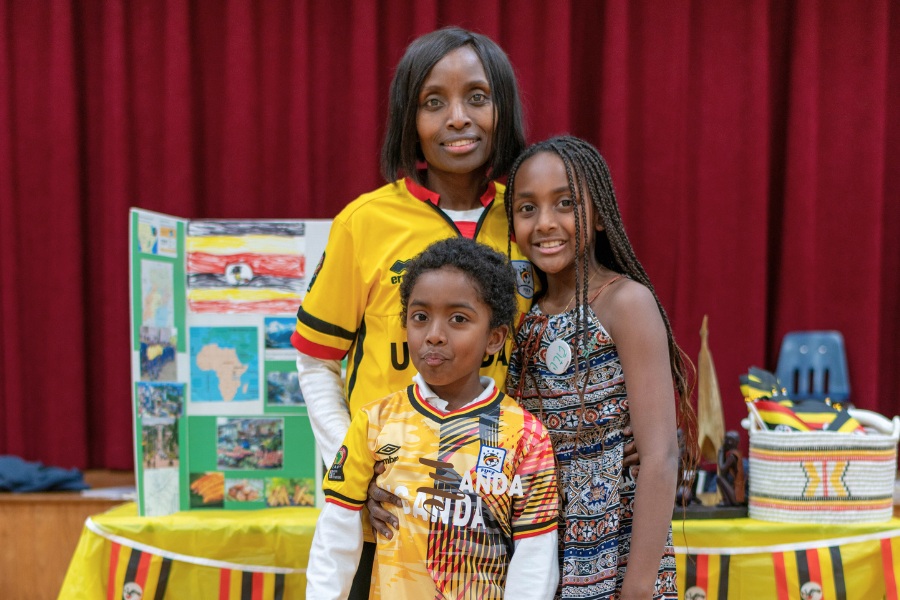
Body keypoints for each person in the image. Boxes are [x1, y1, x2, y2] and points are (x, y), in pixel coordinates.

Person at [290, 27, 534, 599]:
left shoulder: (529, 221)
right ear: (408, 118)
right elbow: (315, 365)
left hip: (496, 520)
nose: (457, 118)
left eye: (477, 97)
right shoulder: (365, 222)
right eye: (434, 102)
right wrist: (351, 469)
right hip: (385, 519)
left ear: (503, 107)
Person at [305, 237, 559, 599]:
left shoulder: (526, 436)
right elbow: (335, 537)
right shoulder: (374, 421)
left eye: (458, 319)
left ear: (495, 338)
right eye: (420, 317)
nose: (434, 336)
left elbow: (535, 557)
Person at [505, 136, 696, 600]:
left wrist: (636, 589)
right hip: (536, 542)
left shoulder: (625, 303)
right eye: (527, 208)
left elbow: (658, 456)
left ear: (602, 215)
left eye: (566, 203)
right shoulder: (522, 314)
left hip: (611, 548)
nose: (546, 223)